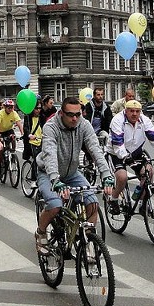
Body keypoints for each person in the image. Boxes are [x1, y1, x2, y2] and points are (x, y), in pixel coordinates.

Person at [35, 97, 114, 254]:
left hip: (71, 173)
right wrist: (55, 180)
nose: (74, 118)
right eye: (70, 114)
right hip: (48, 174)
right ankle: (41, 232)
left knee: (92, 204)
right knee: (55, 205)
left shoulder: (83, 124)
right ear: (61, 113)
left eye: (78, 114)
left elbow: (94, 148)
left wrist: (106, 174)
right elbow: (50, 154)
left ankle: (89, 242)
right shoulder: (51, 127)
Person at [106, 100, 154, 214]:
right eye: (131, 111)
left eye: (137, 111)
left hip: (135, 152)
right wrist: (125, 156)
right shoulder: (117, 120)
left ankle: (141, 202)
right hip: (116, 153)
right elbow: (117, 143)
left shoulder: (144, 120)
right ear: (125, 111)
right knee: (122, 177)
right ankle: (114, 199)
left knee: (148, 173)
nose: (134, 114)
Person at [0, 99, 24, 178]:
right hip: (0, 131)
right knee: (0, 150)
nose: (10, 109)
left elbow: (19, 123)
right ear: (5, 107)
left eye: (12, 107)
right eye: (9, 107)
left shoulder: (14, 113)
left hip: (9, 130)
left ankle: (12, 155)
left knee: (13, 139)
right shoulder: (0, 113)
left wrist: (22, 133)